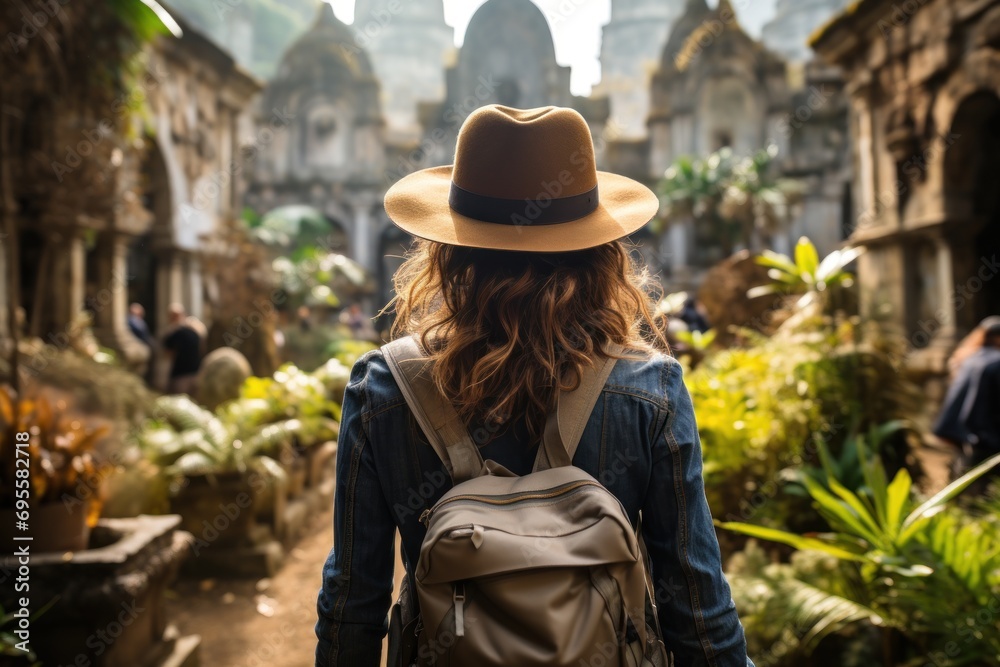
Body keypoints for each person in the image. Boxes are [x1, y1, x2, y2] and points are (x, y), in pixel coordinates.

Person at [315, 105, 753, 666]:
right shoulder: (651, 388)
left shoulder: (384, 389)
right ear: (599, 251)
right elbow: (697, 611)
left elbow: (353, 606)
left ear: (449, 251)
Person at [933, 316, 1000, 483]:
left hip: (964, 436)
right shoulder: (995, 362)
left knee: (966, 484)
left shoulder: (969, 359)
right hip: (989, 441)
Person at [162, 303, 203, 395]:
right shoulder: (195, 331)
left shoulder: (174, 334)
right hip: (195, 373)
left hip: (180, 376)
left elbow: (167, 354)